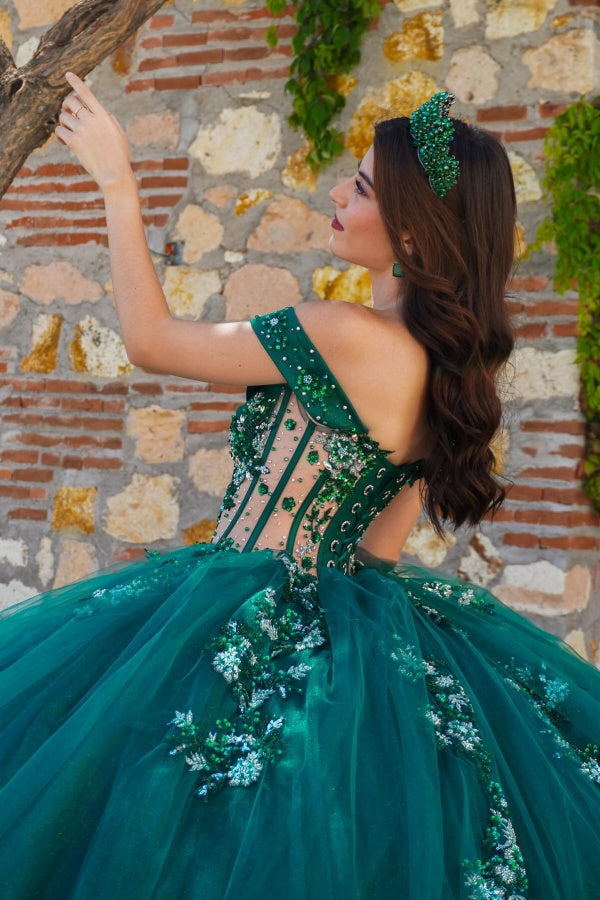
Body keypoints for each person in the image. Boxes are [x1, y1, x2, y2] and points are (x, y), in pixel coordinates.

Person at [0, 75, 598, 900]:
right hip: (344, 628)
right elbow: (377, 553)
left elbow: (151, 341)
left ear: (413, 234)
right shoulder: (445, 378)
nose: (338, 196)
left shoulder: (342, 330)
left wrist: (117, 182)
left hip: (239, 599)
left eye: (362, 189)